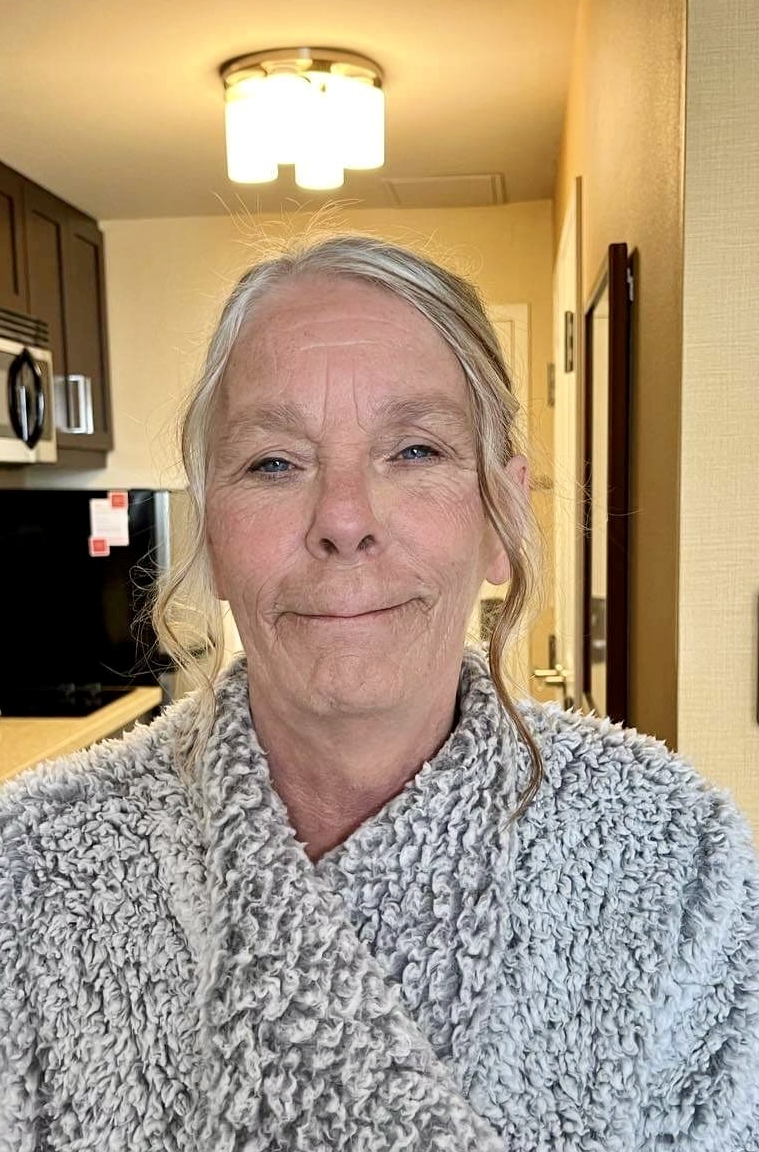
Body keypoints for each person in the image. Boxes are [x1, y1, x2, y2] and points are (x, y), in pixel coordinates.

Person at [1, 234, 757, 1152]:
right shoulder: (29, 875)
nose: (344, 520)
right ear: (214, 532)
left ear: (499, 519)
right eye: (273, 463)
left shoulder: (680, 865)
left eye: (414, 449)